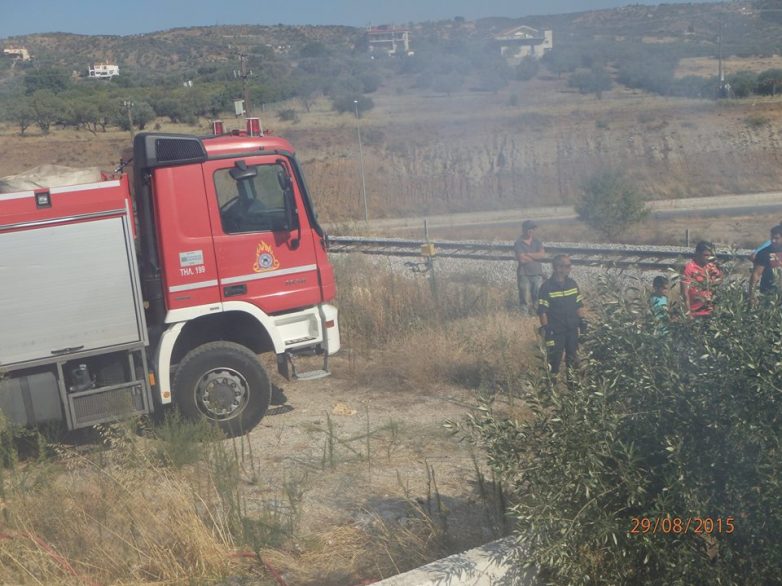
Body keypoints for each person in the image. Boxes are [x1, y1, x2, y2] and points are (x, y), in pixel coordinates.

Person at [537, 254, 586, 376]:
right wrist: (546, 329)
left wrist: (582, 320)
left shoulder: (572, 284)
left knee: (573, 361)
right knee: (554, 362)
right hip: (555, 331)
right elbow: (542, 310)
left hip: (572, 329)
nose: (570, 268)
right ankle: (551, 389)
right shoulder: (546, 287)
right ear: (558, 268)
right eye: (568, 266)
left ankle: (573, 389)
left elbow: (578, 304)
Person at [681, 241, 723, 318]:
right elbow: (685, 293)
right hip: (695, 313)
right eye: (706, 255)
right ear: (698, 253)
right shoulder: (689, 268)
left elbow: (718, 283)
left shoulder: (711, 267)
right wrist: (688, 313)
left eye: (710, 255)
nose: (708, 258)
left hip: (710, 311)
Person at [514, 220, 546, 315]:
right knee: (524, 298)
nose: (531, 231)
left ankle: (536, 315)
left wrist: (528, 254)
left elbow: (542, 255)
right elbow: (522, 259)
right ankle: (524, 317)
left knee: (537, 296)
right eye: (529, 229)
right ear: (524, 229)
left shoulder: (537, 242)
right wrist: (535, 257)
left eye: (532, 229)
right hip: (524, 274)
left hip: (537, 273)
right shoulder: (518, 243)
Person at [749, 224, 782, 305]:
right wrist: (752, 296)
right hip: (769, 293)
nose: (773, 240)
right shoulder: (764, 253)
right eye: (772, 238)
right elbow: (756, 274)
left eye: (776, 238)